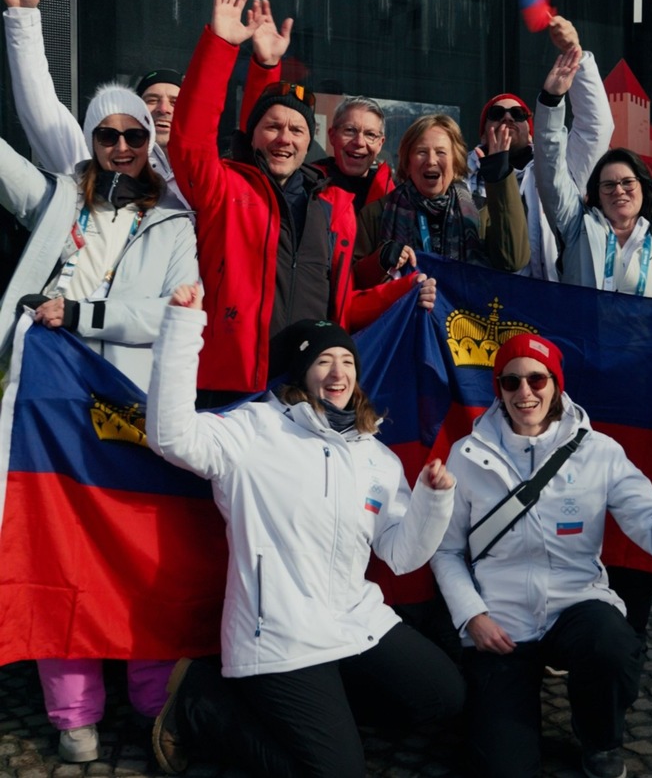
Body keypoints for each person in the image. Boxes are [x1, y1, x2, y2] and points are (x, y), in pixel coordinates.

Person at [146, 299, 465, 777]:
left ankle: (321, 718)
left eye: (348, 362)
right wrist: (183, 325)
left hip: (355, 623)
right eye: (322, 361)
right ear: (299, 371)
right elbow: (170, 436)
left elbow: (401, 555)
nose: (338, 374)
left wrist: (432, 502)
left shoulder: (377, 456)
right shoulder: (253, 431)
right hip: (279, 635)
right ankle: (203, 706)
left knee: (444, 696)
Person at [0, 83, 198, 761]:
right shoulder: (58, 199)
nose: (121, 147)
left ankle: (149, 695)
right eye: (107, 135)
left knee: (136, 551)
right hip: (49, 405)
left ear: (150, 142)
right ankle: (73, 711)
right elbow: (9, 154)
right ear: (90, 139)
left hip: (129, 408)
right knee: (58, 545)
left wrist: (80, 315)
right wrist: (21, 20)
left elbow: (167, 314)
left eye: (134, 136)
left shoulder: (177, 220)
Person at [431, 332, 652, 778]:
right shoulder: (467, 455)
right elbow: (445, 550)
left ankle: (600, 740)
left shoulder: (600, 453)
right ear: (497, 389)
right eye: (511, 381)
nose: (525, 393)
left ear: (556, 384)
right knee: (503, 767)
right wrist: (472, 616)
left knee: (612, 643)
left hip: (576, 605)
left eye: (537, 380)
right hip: (501, 622)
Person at [170, 0, 434, 405]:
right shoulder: (224, 187)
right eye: (272, 127)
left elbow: (344, 308)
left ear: (309, 140)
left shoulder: (335, 205)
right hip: (230, 389)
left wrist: (405, 288)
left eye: (296, 129)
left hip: (307, 395)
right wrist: (222, 45)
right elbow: (190, 139)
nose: (284, 138)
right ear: (251, 135)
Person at [0, 0, 186, 206]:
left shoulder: (202, 176)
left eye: (175, 102)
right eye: (152, 100)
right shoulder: (95, 157)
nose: (164, 109)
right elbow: (41, 110)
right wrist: (23, 17)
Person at [533, 46, 652, 305]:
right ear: (597, 195)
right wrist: (551, 101)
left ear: (643, 187)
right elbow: (550, 169)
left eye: (627, 182)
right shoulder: (576, 229)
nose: (619, 190)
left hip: (648, 347)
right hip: (589, 345)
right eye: (608, 185)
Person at [467, 16, 614, 281]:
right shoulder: (459, 174)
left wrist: (577, 58)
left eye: (519, 114)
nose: (508, 118)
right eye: (497, 112)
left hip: (551, 305)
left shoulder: (562, 169)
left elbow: (596, 128)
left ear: (531, 128)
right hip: (486, 309)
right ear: (482, 131)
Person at [353, 113, 530, 287]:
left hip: (464, 314)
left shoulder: (481, 212)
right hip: (406, 314)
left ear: (456, 162)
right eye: (421, 152)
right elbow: (355, 282)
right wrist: (380, 260)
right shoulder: (376, 213)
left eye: (441, 152)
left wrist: (499, 178)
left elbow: (512, 260)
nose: (431, 161)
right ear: (408, 162)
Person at [312, 95, 394, 213]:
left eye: (370, 134)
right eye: (350, 130)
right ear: (332, 136)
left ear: (380, 144)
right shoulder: (306, 186)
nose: (359, 142)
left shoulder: (394, 199)